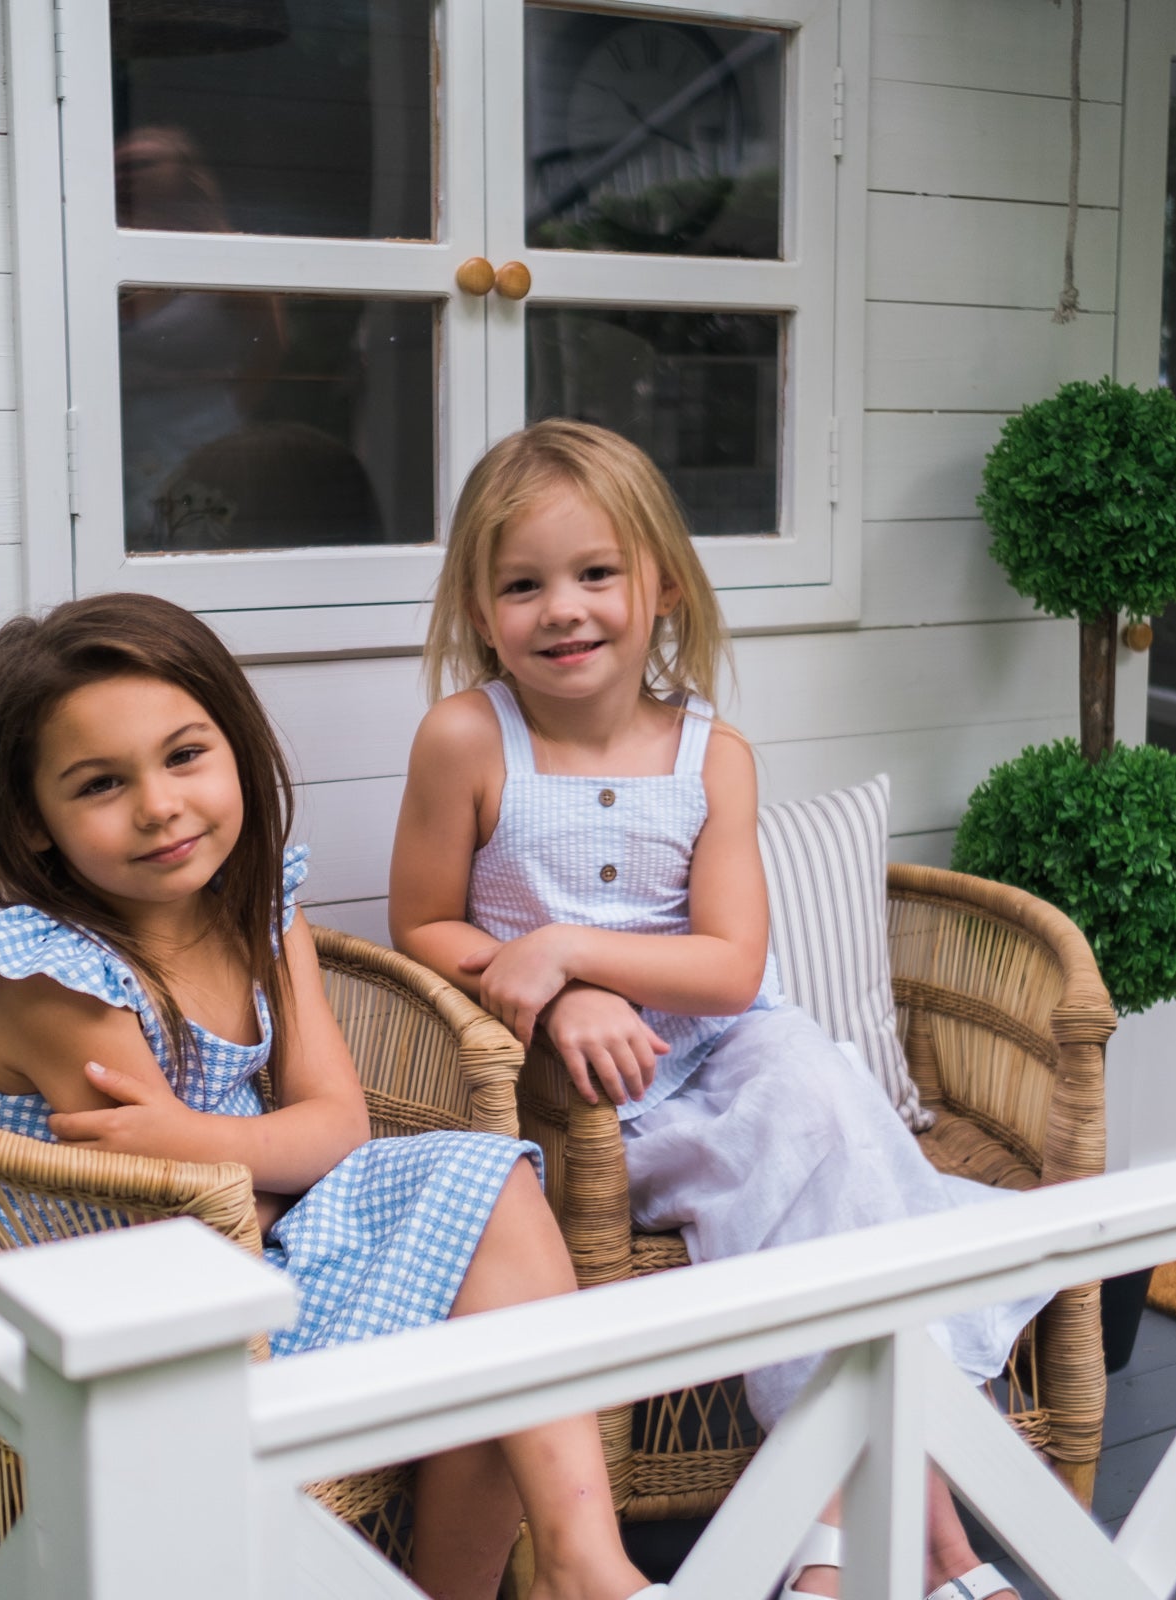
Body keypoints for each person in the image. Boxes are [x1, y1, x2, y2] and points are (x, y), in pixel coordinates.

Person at [389, 419, 1042, 1600]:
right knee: (834, 1182)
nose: (564, 608)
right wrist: (558, 992)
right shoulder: (466, 737)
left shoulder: (712, 753)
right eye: (523, 584)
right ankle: (938, 1556)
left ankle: (846, 1541)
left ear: (664, 588)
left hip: (729, 1044)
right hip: (591, 1091)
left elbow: (735, 970)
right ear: (482, 611)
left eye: (596, 574)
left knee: (818, 1115)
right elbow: (421, 925)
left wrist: (574, 949)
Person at [0, 592, 659, 1600]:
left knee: (496, 1256)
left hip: (258, 1262)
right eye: (102, 783)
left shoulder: (259, 904)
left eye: (185, 755)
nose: (159, 805)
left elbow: (340, 1123)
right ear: (32, 820)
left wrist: (209, 1140)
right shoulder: (59, 984)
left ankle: (582, 1564)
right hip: (131, 1335)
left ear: (235, 750)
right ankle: (580, 1574)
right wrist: (264, 1158)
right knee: (490, 1294)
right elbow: (188, 1206)